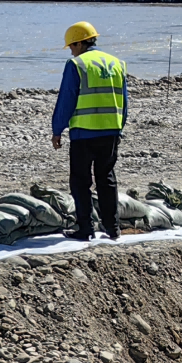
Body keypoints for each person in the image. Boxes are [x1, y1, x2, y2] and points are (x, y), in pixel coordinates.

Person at [51, 21, 128, 241]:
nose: (72, 52)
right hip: (110, 131)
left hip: (84, 133)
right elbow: (125, 101)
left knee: (80, 180)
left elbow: (66, 100)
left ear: (78, 43)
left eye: (72, 47)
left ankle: (86, 228)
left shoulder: (77, 65)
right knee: (107, 178)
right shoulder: (117, 63)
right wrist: (119, 127)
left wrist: (57, 130)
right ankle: (112, 228)